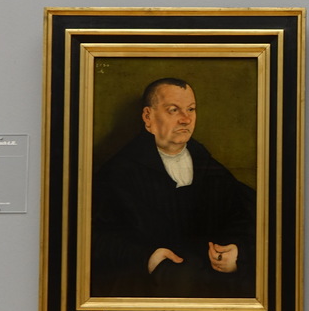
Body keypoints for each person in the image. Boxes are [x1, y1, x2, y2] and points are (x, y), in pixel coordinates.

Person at [91, 78, 256, 298]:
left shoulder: (207, 165)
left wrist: (237, 250)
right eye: (173, 110)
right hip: (151, 282)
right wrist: (148, 258)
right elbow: (94, 238)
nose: (186, 119)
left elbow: (248, 217)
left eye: (191, 109)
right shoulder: (118, 172)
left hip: (210, 277)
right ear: (148, 117)